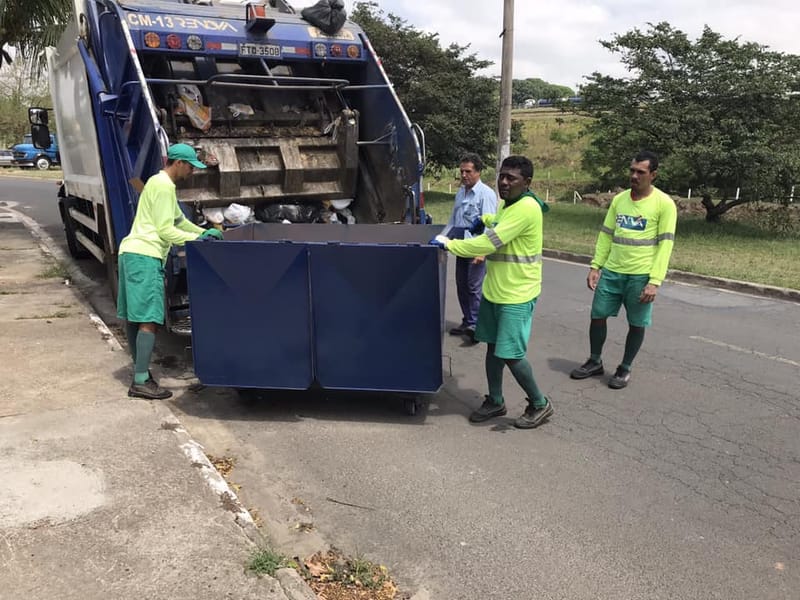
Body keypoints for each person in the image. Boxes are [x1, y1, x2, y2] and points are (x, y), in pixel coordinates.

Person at [431, 155, 553, 429]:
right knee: (492, 347)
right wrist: (483, 219)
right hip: (496, 291)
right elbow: (496, 219)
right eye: (502, 176)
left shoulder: (526, 209)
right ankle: (496, 400)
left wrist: (447, 244)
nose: (504, 182)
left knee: (510, 354)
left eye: (512, 178)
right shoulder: (509, 206)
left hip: (517, 294)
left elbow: (486, 243)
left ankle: (539, 403)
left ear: (528, 183)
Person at [117, 143, 223, 400]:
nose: (192, 172)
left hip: (130, 253)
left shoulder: (157, 182)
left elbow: (179, 220)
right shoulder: (164, 186)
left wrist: (204, 231)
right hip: (146, 256)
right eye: (190, 167)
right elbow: (166, 231)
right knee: (150, 320)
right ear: (178, 163)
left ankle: (140, 373)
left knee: (135, 316)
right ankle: (140, 380)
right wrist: (197, 242)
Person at [569, 150, 677, 389]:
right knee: (597, 316)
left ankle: (625, 367)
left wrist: (655, 281)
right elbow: (606, 235)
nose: (635, 176)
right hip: (612, 272)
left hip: (641, 276)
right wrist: (596, 266)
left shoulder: (664, 204)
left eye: (641, 172)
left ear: (653, 175)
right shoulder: (619, 200)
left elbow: (665, 245)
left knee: (637, 323)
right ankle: (594, 360)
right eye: (632, 170)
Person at [445, 153, 498, 341]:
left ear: (478, 172)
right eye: (462, 171)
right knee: (462, 286)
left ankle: (477, 326)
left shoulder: (487, 194)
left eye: (468, 171)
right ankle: (467, 321)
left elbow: (491, 226)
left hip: (477, 249)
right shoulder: (461, 192)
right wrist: (443, 239)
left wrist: (483, 252)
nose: (464, 175)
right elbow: (453, 220)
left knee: (474, 287)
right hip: (462, 247)